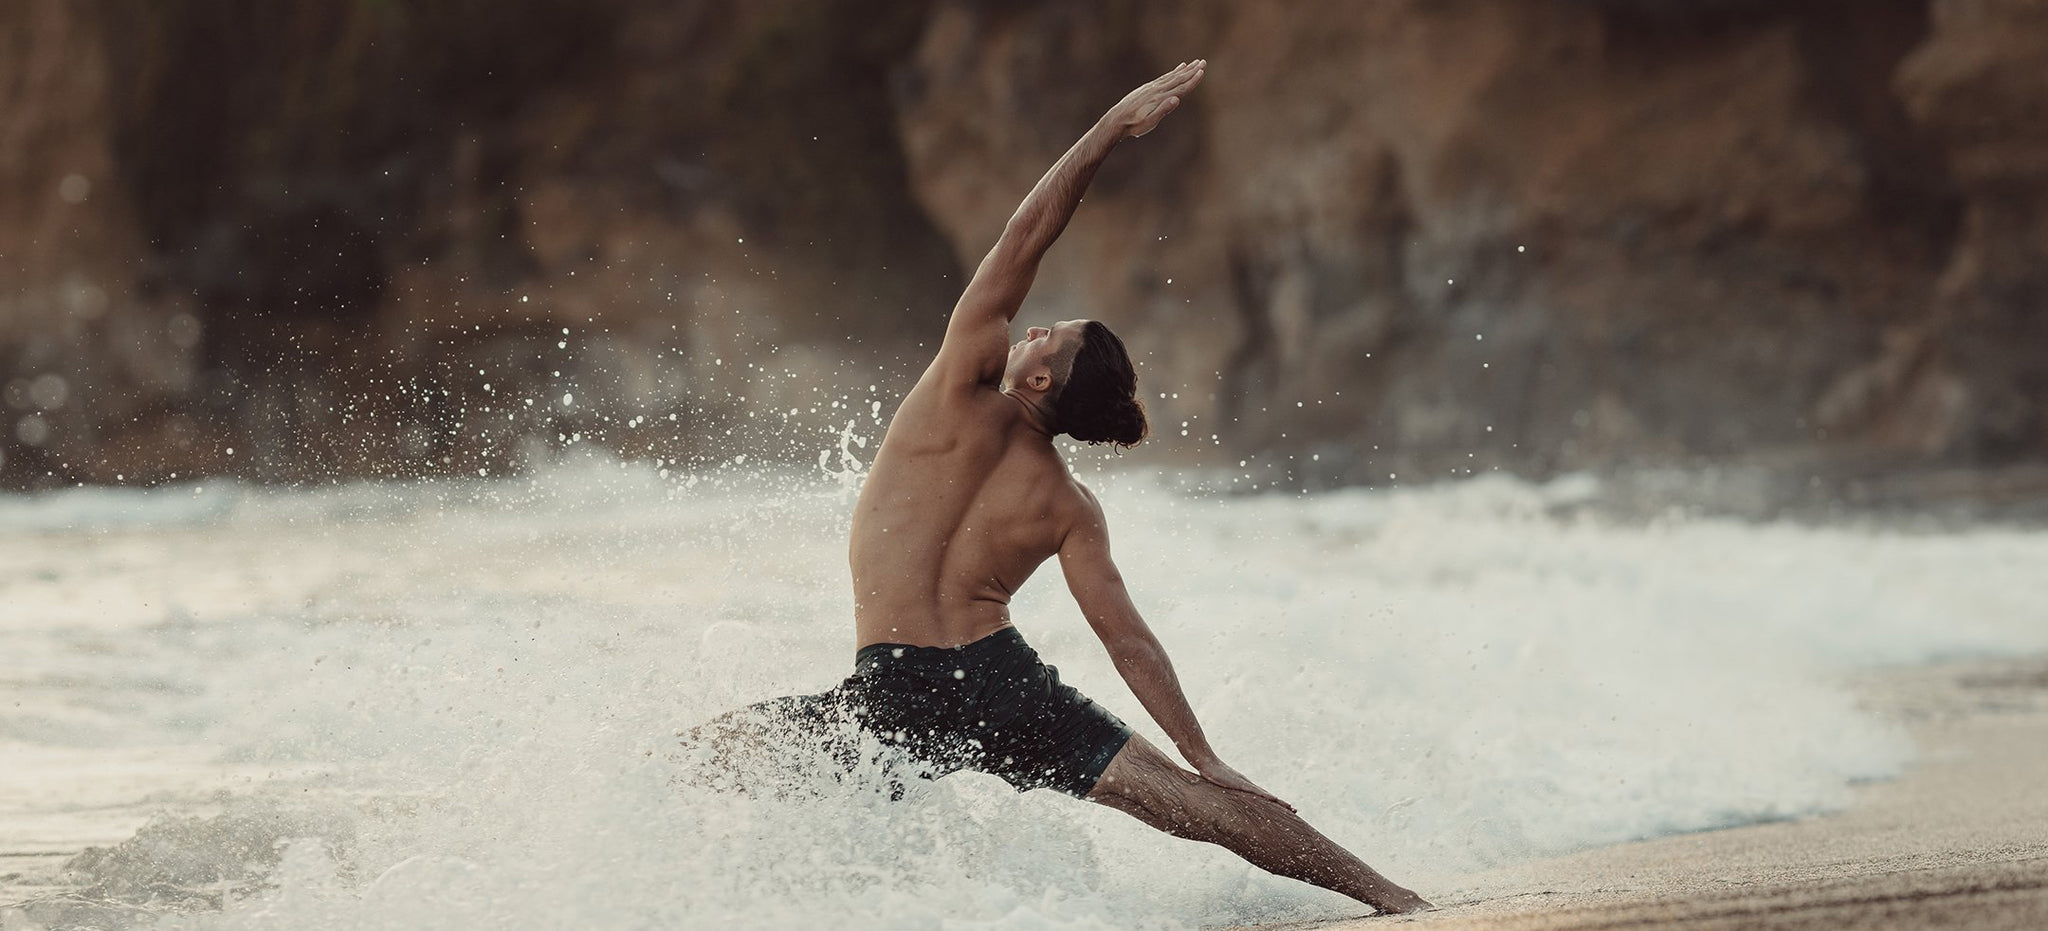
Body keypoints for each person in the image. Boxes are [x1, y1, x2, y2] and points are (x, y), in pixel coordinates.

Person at [684, 60, 1428, 916]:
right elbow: (1129, 642)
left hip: (892, 690)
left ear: (1043, 380)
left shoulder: (959, 387)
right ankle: (1392, 897)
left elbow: (1025, 234)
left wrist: (1109, 128)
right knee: (1199, 807)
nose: (1035, 327)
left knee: (688, 768)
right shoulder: (1068, 505)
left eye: (1051, 337)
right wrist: (1202, 752)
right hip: (995, 687)